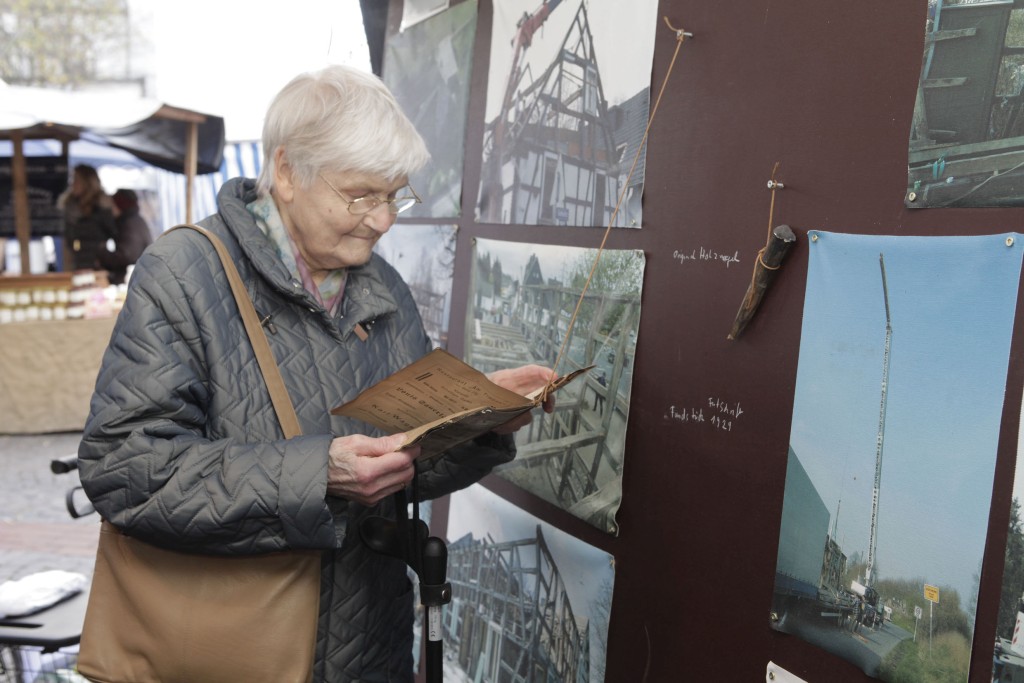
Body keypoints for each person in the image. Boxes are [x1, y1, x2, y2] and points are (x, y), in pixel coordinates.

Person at [77, 65, 555, 682]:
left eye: (395, 195)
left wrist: (481, 420)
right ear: (286, 172)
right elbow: (123, 470)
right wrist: (318, 475)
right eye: (361, 196)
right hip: (234, 654)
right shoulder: (183, 273)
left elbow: (408, 460)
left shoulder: (384, 287)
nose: (384, 220)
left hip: (371, 649)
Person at [59, 164, 116, 271]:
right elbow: (69, 238)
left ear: (87, 183)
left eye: (76, 180)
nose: (73, 184)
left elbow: (113, 232)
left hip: (99, 265)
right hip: (76, 263)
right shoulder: (69, 206)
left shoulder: (101, 206)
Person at [98, 188, 153, 284]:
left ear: (120, 206)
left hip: (134, 280)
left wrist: (103, 254)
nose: (111, 209)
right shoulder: (132, 221)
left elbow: (127, 255)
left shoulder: (130, 224)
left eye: (113, 205)